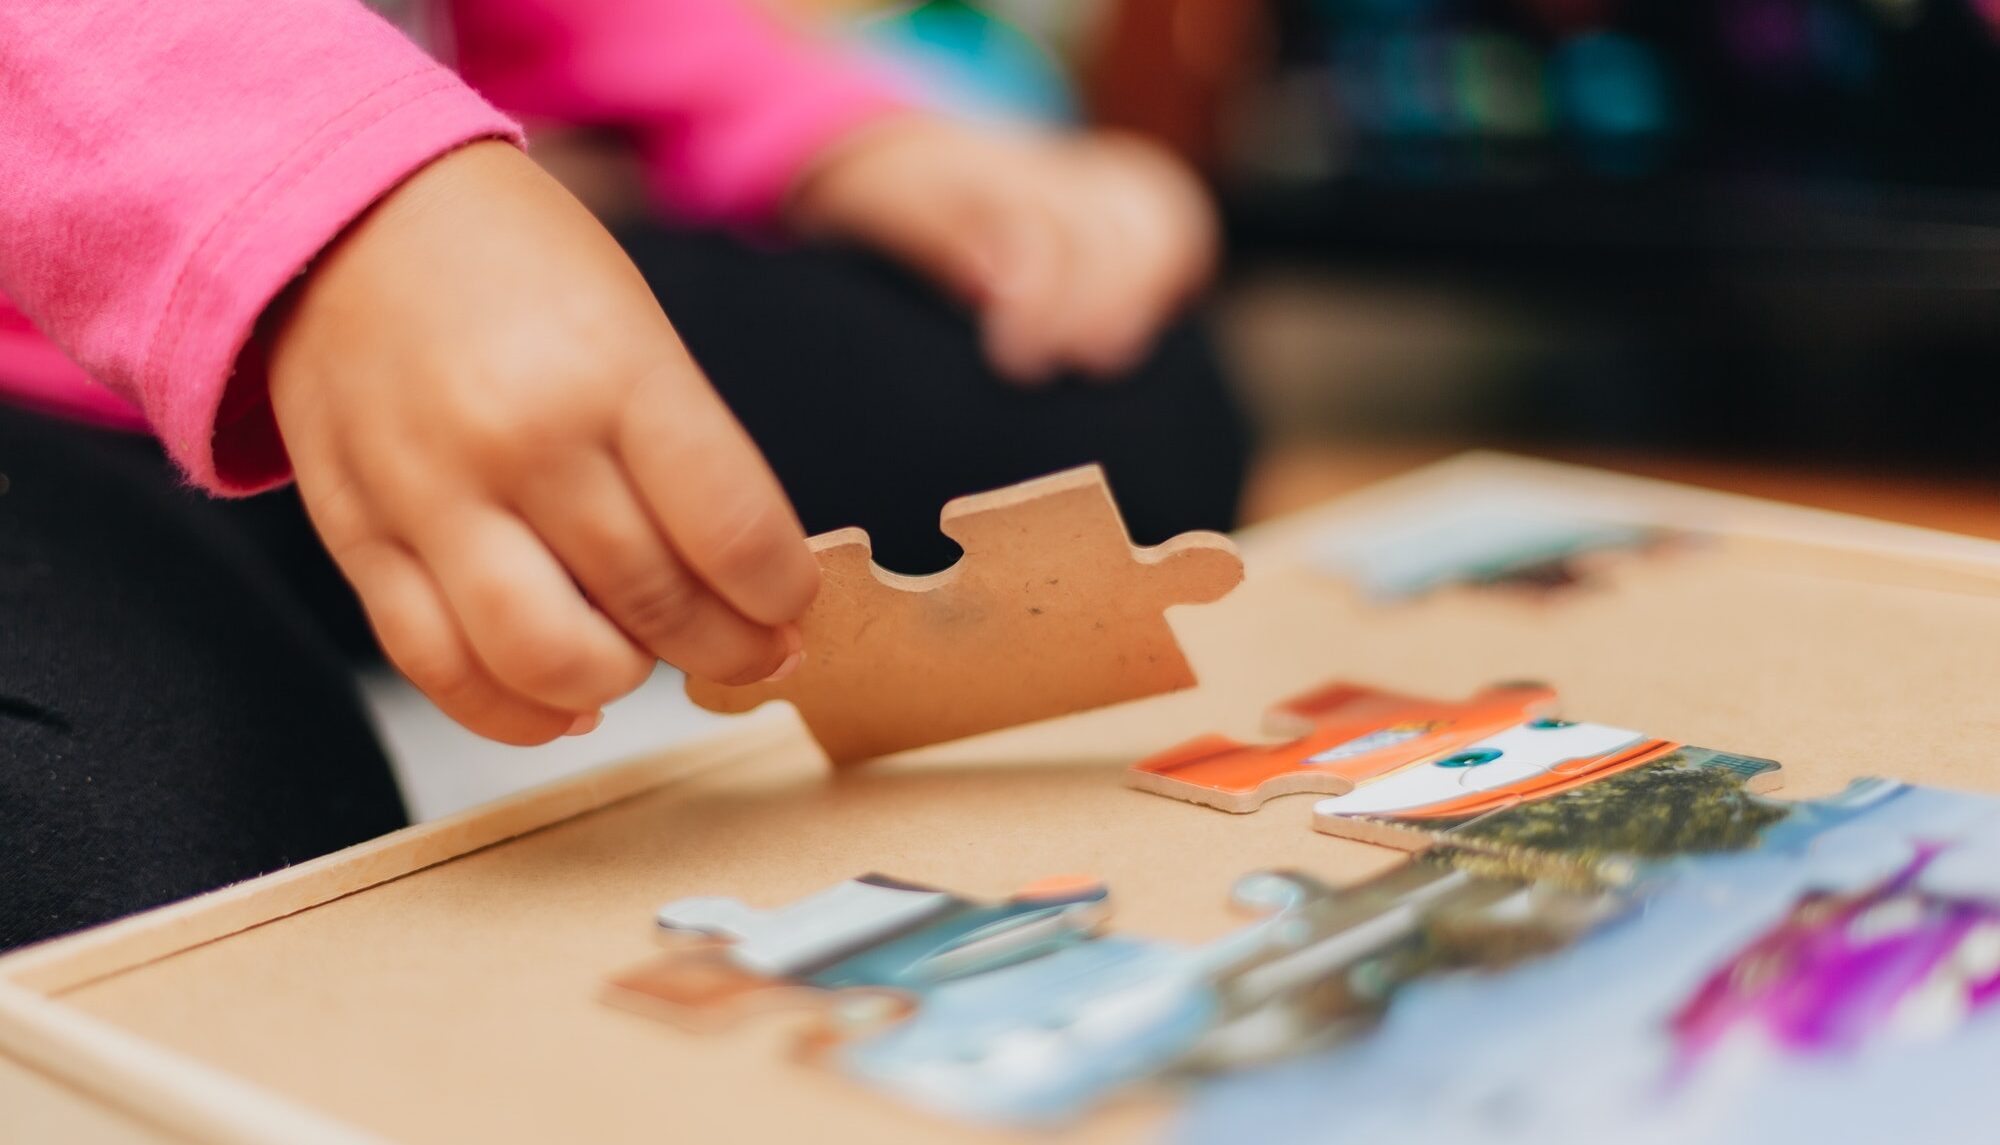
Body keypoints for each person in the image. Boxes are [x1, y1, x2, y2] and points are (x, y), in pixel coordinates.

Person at [0, 0, 1251, 949]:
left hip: (442, 251)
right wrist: (323, 195)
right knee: (164, 873)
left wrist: (818, 131)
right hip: (59, 384)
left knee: (1113, 386)